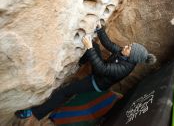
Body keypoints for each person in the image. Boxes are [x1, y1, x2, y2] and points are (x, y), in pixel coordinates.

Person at [15, 21, 157, 120]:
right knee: (95, 46)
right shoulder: (124, 53)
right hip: (100, 73)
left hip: (96, 83)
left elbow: (101, 68)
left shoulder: (123, 69)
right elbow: (109, 45)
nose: (126, 46)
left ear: (131, 56)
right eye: (129, 45)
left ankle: (33, 113)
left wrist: (88, 47)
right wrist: (99, 29)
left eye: (129, 48)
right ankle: (79, 64)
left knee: (64, 92)